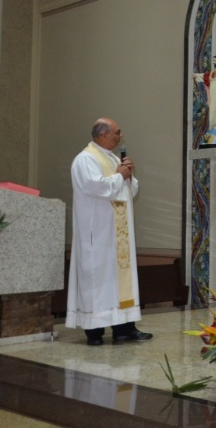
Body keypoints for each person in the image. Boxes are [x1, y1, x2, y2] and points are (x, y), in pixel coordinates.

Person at [65, 118, 152, 346]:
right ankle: (94, 332)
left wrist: (129, 176)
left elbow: (129, 191)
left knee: (119, 280)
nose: (120, 136)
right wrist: (120, 175)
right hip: (98, 235)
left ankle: (124, 328)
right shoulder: (85, 159)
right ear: (103, 135)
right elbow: (96, 186)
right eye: (117, 132)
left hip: (118, 235)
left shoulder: (113, 158)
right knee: (98, 280)